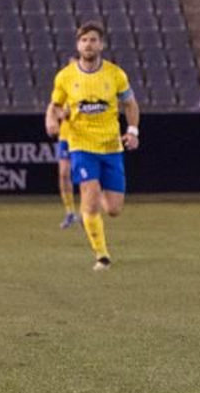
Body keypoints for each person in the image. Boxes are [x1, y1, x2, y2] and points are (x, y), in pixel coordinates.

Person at [46, 23, 141, 270]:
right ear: (78, 45)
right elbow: (55, 104)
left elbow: (130, 104)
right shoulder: (65, 76)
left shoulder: (115, 74)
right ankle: (102, 256)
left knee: (114, 209)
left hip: (111, 147)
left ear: (101, 44)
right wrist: (53, 119)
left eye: (93, 40)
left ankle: (93, 198)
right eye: (84, 40)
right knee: (89, 198)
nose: (89, 44)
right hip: (81, 146)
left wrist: (132, 131)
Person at [52, 56, 80, 230]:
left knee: (85, 176)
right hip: (65, 136)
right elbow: (55, 107)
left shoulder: (88, 86)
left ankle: (88, 211)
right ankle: (70, 212)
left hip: (84, 136)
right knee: (63, 174)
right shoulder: (64, 85)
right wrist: (61, 115)